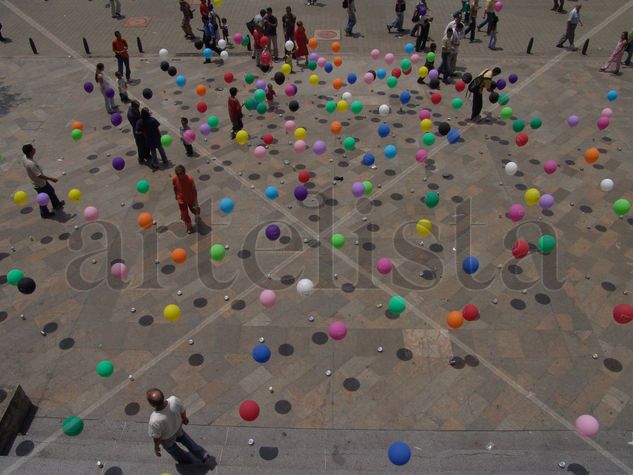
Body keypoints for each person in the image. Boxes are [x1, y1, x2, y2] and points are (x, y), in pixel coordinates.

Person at [147, 389, 211, 464]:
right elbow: (182, 410)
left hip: (167, 438)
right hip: (178, 428)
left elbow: (157, 437)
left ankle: (186, 459)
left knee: (173, 449)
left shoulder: (154, 420)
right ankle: (202, 454)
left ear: (152, 404)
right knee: (186, 440)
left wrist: (156, 448)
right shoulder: (174, 400)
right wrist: (184, 418)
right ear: (163, 396)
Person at [21, 144, 64, 219]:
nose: (34, 149)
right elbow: (39, 175)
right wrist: (51, 179)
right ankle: (44, 213)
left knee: (51, 191)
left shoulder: (24, 157)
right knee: (43, 199)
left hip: (40, 182)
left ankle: (56, 204)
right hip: (40, 184)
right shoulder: (31, 164)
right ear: (30, 152)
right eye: (33, 148)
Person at [172, 165, 199, 233]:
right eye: (177, 175)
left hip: (190, 199)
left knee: (195, 211)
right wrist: (176, 195)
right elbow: (175, 187)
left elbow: (194, 191)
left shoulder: (190, 179)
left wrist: (196, 202)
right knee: (185, 214)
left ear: (184, 173)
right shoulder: (175, 179)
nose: (179, 176)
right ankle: (189, 227)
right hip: (181, 200)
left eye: (180, 174)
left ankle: (195, 213)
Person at [127, 101, 149, 165]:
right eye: (137, 107)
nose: (138, 109)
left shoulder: (135, 110)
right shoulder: (131, 115)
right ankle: (141, 158)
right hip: (138, 131)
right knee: (140, 145)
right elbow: (135, 125)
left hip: (141, 128)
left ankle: (146, 155)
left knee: (145, 143)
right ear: (134, 107)